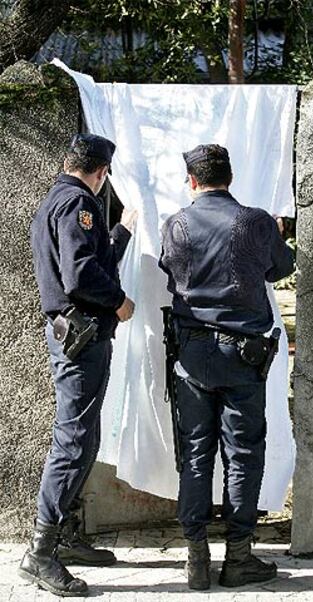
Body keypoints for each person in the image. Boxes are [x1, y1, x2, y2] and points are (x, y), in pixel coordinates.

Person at [159, 144, 294, 591]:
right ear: (229, 178)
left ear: (192, 181)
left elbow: (171, 272)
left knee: (195, 454)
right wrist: (274, 234)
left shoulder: (175, 223)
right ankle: (238, 557)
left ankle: (196, 559)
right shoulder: (255, 221)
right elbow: (281, 267)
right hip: (244, 355)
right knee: (243, 454)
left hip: (192, 354)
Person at [19, 133, 137, 597]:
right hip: (82, 334)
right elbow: (82, 273)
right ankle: (40, 552)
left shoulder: (58, 199)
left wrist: (121, 232)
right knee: (72, 441)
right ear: (101, 172)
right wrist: (121, 302)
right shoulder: (76, 204)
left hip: (78, 334)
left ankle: (63, 534)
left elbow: (94, 257)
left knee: (83, 438)